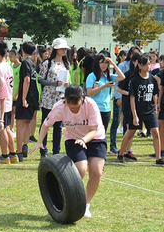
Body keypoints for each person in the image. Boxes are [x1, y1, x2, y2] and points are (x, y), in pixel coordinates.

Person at [30, 84, 107, 218]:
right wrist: (39, 141)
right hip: (73, 138)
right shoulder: (60, 107)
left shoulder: (90, 105)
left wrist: (84, 140)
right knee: (81, 169)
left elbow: (94, 130)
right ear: (64, 99)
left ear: (82, 98)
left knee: (96, 172)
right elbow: (46, 124)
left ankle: (86, 206)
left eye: (75, 103)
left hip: (95, 138)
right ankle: (62, 194)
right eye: (68, 102)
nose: (72, 106)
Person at [128, 54, 164, 166]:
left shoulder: (153, 79)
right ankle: (122, 153)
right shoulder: (135, 80)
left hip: (150, 111)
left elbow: (155, 95)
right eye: (145, 64)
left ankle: (159, 158)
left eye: (149, 64)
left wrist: (156, 107)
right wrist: (135, 115)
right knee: (130, 133)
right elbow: (132, 98)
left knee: (156, 133)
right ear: (139, 65)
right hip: (138, 111)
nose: (148, 66)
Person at [38, 38, 70, 159]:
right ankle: (43, 150)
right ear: (56, 49)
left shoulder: (66, 64)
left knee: (58, 126)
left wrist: (65, 84)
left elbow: (67, 79)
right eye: (62, 48)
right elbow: (40, 79)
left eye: (65, 49)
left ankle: (56, 151)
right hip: (48, 99)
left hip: (61, 98)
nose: (64, 51)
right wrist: (54, 83)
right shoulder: (48, 63)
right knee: (46, 124)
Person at [85, 52, 125, 138]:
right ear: (97, 63)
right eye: (101, 63)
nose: (104, 65)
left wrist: (113, 64)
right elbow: (89, 92)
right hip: (94, 108)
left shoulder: (108, 76)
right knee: (93, 133)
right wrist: (104, 86)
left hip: (106, 109)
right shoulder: (91, 76)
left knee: (102, 134)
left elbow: (122, 77)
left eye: (106, 63)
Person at [14, 42, 39, 162]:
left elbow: (26, 79)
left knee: (19, 124)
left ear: (22, 50)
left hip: (27, 96)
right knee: (27, 122)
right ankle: (25, 144)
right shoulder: (32, 63)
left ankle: (19, 151)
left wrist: (23, 98)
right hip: (34, 95)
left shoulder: (25, 63)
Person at [0, 41, 16, 164]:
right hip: (8, 100)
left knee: (1, 129)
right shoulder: (7, 65)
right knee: (6, 128)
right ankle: (12, 154)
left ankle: (5, 155)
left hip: (2, 101)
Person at [116, 52, 141, 162]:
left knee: (133, 129)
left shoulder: (142, 75)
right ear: (134, 62)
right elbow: (118, 89)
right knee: (129, 128)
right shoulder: (127, 74)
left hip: (139, 105)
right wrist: (130, 94)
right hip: (128, 105)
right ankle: (124, 151)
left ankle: (127, 151)